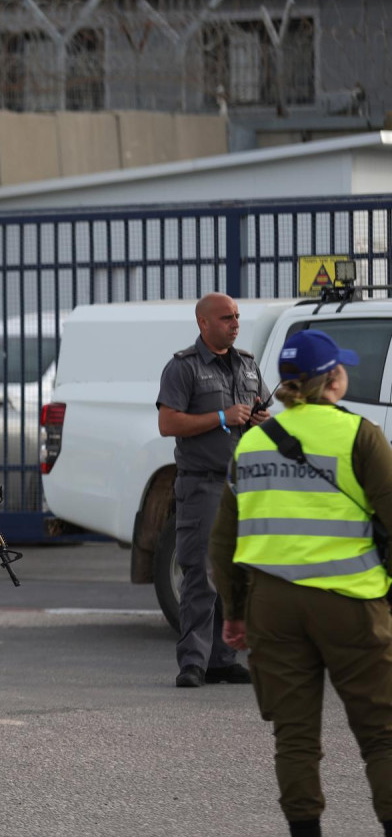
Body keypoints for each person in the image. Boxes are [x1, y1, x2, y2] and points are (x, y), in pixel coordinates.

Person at [211, 330, 392, 837]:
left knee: (295, 736)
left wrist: (234, 612)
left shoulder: (251, 444)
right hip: (351, 602)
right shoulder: (360, 435)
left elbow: (223, 542)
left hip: (273, 607)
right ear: (333, 378)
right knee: (381, 735)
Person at [157, 292, 269, 688]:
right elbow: (168, 423)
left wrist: (258, 419)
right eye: (225, 318)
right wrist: (221, 416)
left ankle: (223, 659)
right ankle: (193, 662)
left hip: (243, 485)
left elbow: (257, 413)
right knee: (198, 575)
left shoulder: (249, 366)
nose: (234, 323)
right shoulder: (183, 367)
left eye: (237, 316)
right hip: (203, 484)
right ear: (203, 323)